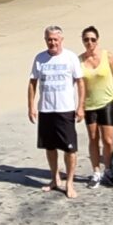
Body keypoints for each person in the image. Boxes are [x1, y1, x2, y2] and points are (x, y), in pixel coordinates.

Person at [26, 25, 86, 198]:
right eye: (49, 39)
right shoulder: (40, 58)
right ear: (45, 40)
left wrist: (80, 106)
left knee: (70, 149)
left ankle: (69, 183)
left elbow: (80, 83)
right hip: (46, 109)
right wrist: (31, 106)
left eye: (55, 39)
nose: (52, 42)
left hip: (65, 110)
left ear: (61, 40)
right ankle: (54, 178)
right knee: (50, 147)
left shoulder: (70, 57)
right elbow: (32, 83)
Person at [79, 25, 113, 188]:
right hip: (89, 105)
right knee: (93, 138)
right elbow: (78, 85)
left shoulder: (107, 56)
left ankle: (109, 170)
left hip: (107, 102)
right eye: (86, 40)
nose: (89, 42)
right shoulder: (80, 61)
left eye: (92, 39)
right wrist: (79, 106)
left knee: (108, 139)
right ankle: (96, 172)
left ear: (97, 40)